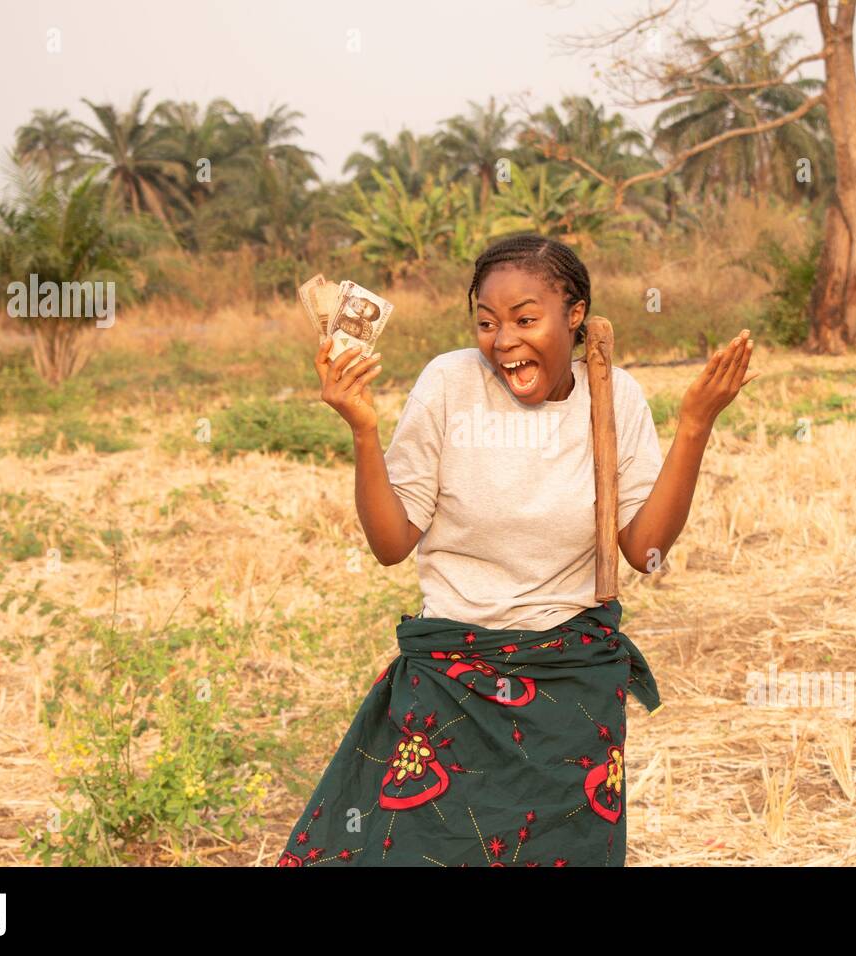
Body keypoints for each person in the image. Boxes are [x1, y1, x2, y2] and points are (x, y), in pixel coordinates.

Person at [277, 233, 757, 867]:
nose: (503, 341)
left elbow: (645, 554)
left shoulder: (615, 398)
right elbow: (392, 545)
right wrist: (364, 432)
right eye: (486, 322)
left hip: (570, 686)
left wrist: (695, 425)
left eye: (526, 319)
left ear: (575, 315)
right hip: (452, 678)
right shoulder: (449, 384)